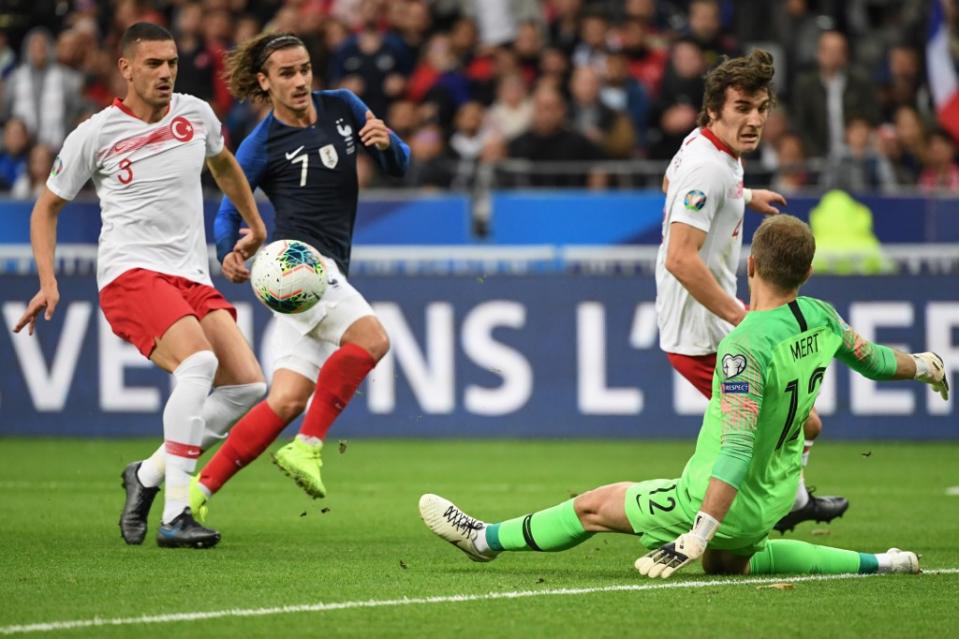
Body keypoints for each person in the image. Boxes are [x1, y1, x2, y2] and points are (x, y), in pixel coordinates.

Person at [420, 215, 949, 579]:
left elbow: (736, 448)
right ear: (807, 274)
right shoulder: (823, 317)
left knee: (593, 508)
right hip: (772, 496)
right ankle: (885, 562)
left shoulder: (742, 348)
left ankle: (483, 539)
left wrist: (698, 533)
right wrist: (926, 365)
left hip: (717, 502)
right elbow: (878, 362)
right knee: (731, 565)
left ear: (750, 266)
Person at [12, 23, 269, 549]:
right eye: (153, 64)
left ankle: (147, 476)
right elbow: (46, 208)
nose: (166, 73)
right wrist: (47, 279)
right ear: (126, 68)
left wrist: (255, 221)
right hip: (131, 273)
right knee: (198, 365)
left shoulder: (196, 114)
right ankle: (177, 513)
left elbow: (225, 165)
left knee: (247, 386)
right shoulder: (96, 133)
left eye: (171, 62)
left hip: (190, 274)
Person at [187, 32, 410, 520]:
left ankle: (197, 493)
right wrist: (227, 252)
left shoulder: (344, 106)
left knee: (286, 399)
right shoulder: (261, 144)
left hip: (319, 272)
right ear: (265, 82)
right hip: (296, 266)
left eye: (305, 69)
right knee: (373, 341)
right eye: (287, 73)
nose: (300, 80)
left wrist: (388, 144)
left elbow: (401, 163)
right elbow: (226, 214)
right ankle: (308, 445)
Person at [655, 49, 847, 534]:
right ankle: (737, 515)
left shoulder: (712, 155)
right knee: (793, 427)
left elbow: (668, 182)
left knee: (799, 424)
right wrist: (743, 318)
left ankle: (789, 501)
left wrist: (742, 196)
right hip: (703, 335)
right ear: (714, 108)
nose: (755, 119)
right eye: (742, 107)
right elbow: (680, 258)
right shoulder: (710, 170)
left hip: (714, 323)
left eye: (761, 108)